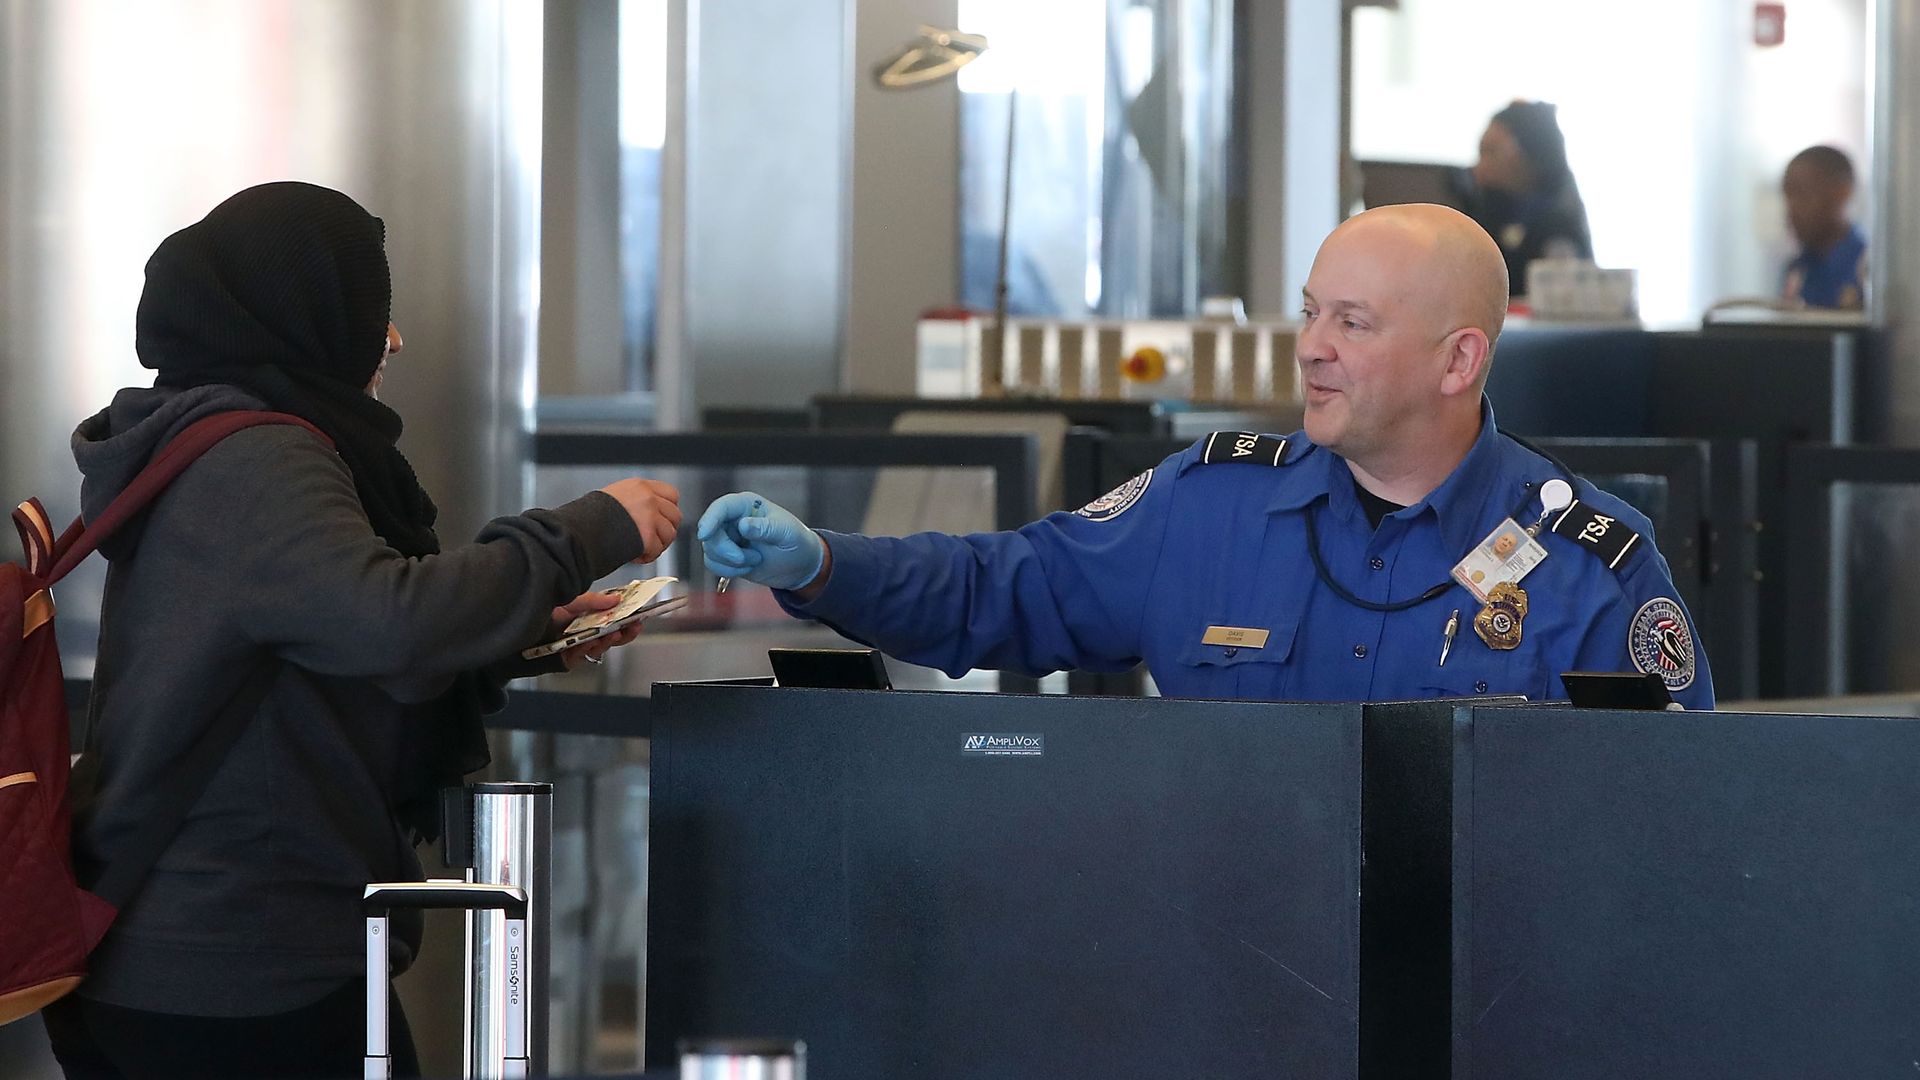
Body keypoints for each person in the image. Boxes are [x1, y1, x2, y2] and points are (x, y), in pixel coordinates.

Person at [41, 182, 681, 1079]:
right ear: (305, 312)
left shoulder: (205, 439)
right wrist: (585, 531)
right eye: (371, 308)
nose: (393, 339)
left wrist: (522, 630)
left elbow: (308, 644)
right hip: (236, 963)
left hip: (202, 946)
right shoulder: (257, 455)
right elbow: (386, 622)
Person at [696, 203, 1714, 709]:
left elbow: (1662, 837)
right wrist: (822, 566)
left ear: (1459, 361)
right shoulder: (1206, 504)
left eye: (1352, 323)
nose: (1311, 345)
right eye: (1311, 312)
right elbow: (995, 591)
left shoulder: (1590, 567)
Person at [1461, 100, 1593, 298]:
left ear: (1531, 155)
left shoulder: (1559, 223)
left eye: (1490, 152)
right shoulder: (1483, 213)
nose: (1478, 167)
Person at [1780, 144, 1867, 310]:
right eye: (1787, 196)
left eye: (1802, 193)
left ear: (1842, 193)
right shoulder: (1797, 270)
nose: (1792, 209)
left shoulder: (1866, 269)